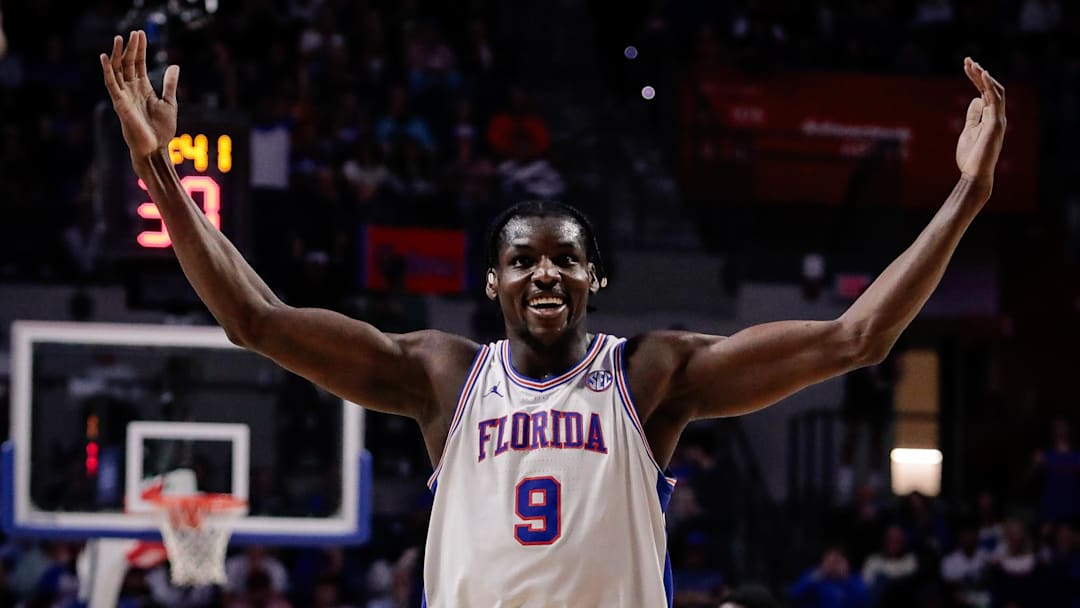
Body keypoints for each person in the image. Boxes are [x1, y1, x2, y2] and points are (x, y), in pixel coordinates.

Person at [100, 30, 1007, 607]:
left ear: (595, 278)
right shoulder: (441, 376)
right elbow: (256, 320)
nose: (545, 272)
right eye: (523, 258)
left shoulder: (652, 376)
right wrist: (162, 181)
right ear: (491, 283)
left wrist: (966, 195)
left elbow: (857, 339)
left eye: (566, 257)